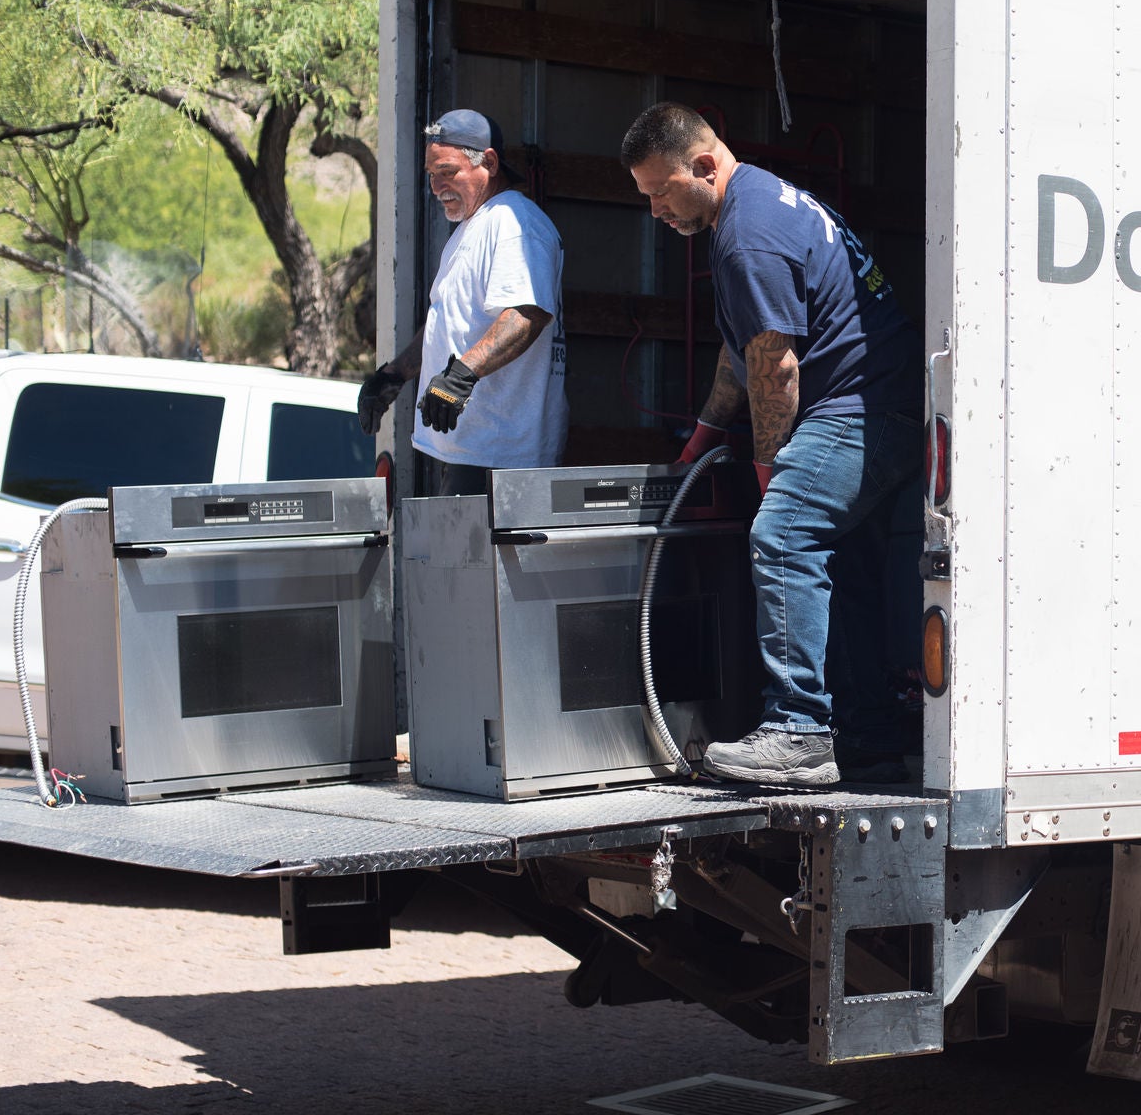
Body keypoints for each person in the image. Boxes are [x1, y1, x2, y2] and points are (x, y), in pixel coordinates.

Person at [620, 102, 921, 788]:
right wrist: (701, 437)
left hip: (861, 407)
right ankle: (869, 736)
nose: (656, 212)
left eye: (661, 192)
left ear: (704, 166)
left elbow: (777, 370)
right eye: (645, 198)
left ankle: (798, 731)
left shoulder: (746, 234)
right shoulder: (757, 204)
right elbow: (746, 350)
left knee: (783, 533)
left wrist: (768, 469)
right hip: (891, 406)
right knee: (839, 564)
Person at [357, 109, 567, 496]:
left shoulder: (515, 222)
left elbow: (527, 314)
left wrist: (461, 375)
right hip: (464, 448)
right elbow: (448, 321)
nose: (436, 186)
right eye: (431, 175)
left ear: (488, 161)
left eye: (448, 172)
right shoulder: (473, 226)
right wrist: (394, 374)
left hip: (500, 456)